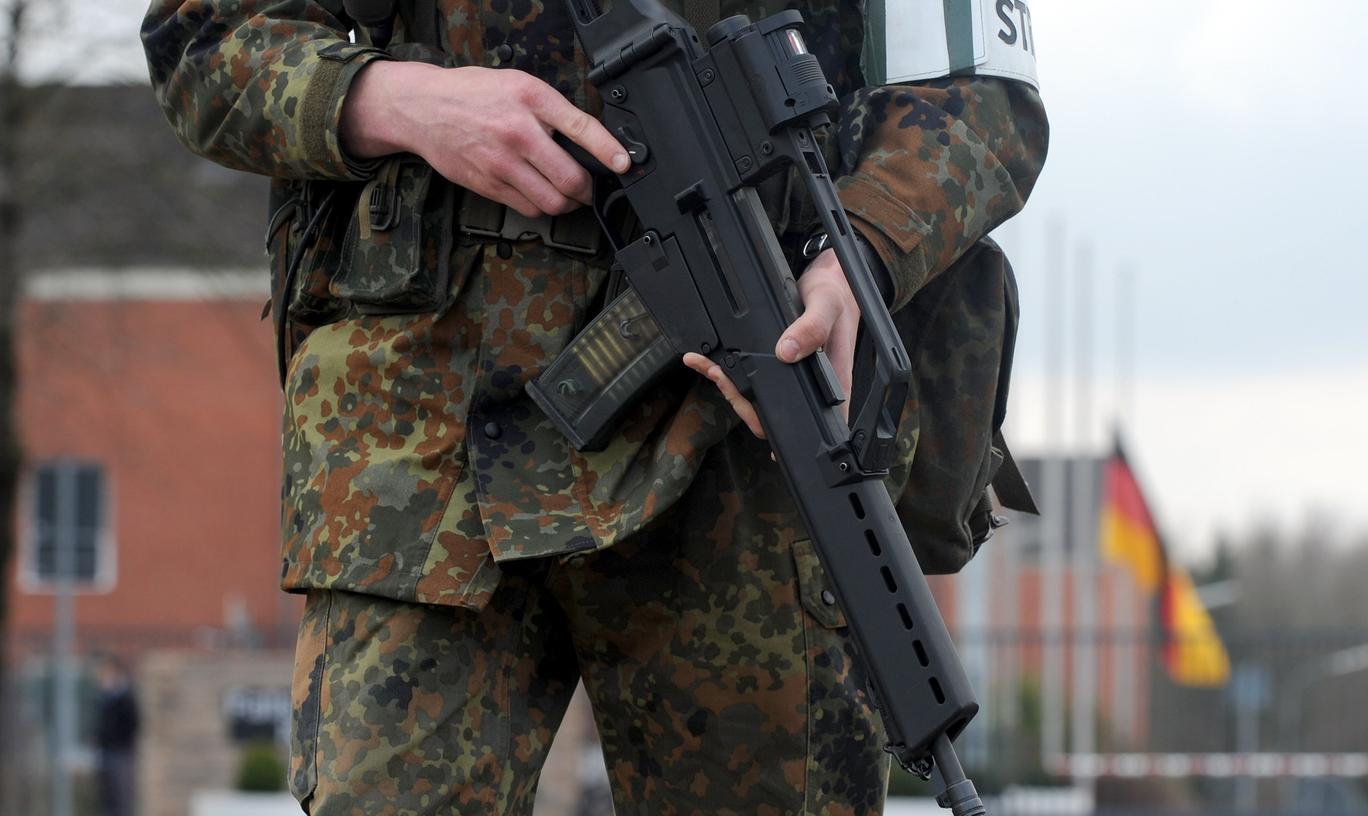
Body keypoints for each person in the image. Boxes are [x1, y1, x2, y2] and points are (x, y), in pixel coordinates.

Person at [141, 1, 1047, 813]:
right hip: (419, 449)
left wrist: (868, 250)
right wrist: (399, 99)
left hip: (750, 430)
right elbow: (203, 37)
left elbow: (981, 94)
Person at [93, 654, 139, 816]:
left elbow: (132, 724)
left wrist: (118, 742)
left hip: (121, 753)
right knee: (109, 799)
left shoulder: (125, 699)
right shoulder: (105, 699)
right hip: (107, 753)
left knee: (121, 799)